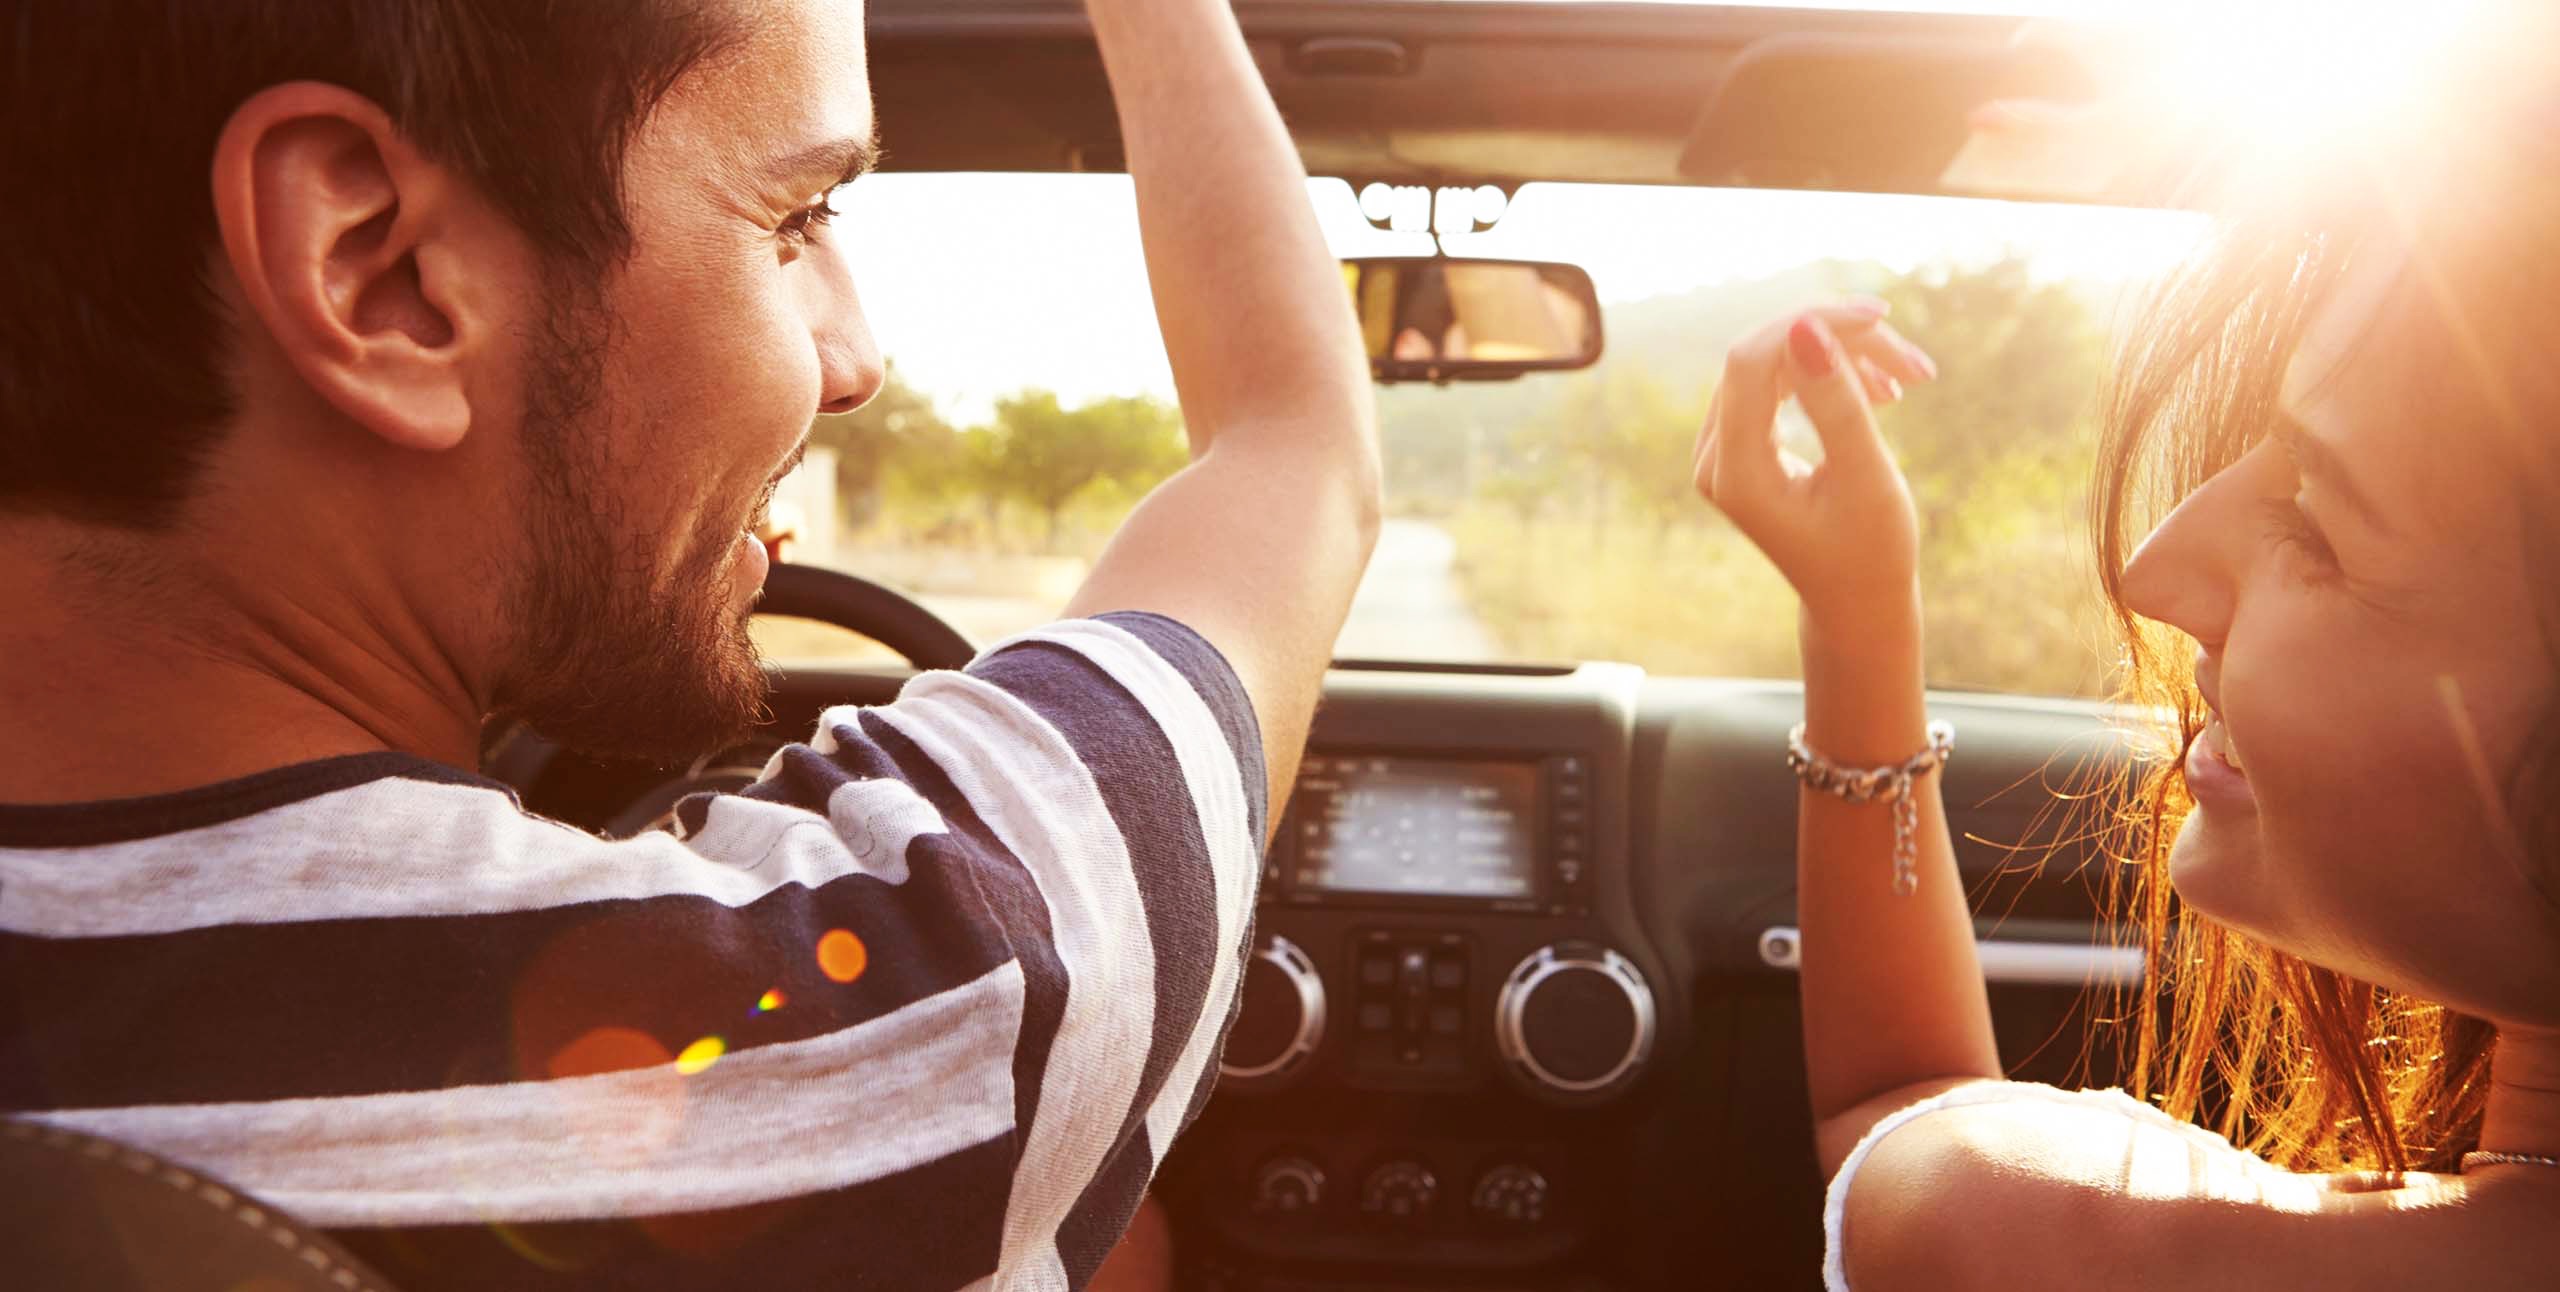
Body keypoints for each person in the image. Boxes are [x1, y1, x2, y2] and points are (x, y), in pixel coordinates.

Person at [0, 1, 1380, 1290]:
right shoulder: (878, 1023)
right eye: (794, 218)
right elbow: (1292, 453)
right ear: (384, 275)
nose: (855, 359)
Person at [1689, 13, 2560, 1290]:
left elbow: (1899, 1118)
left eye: (2314, 521)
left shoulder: (2043, 1243)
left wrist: (1856, 610)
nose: (2155, 569)